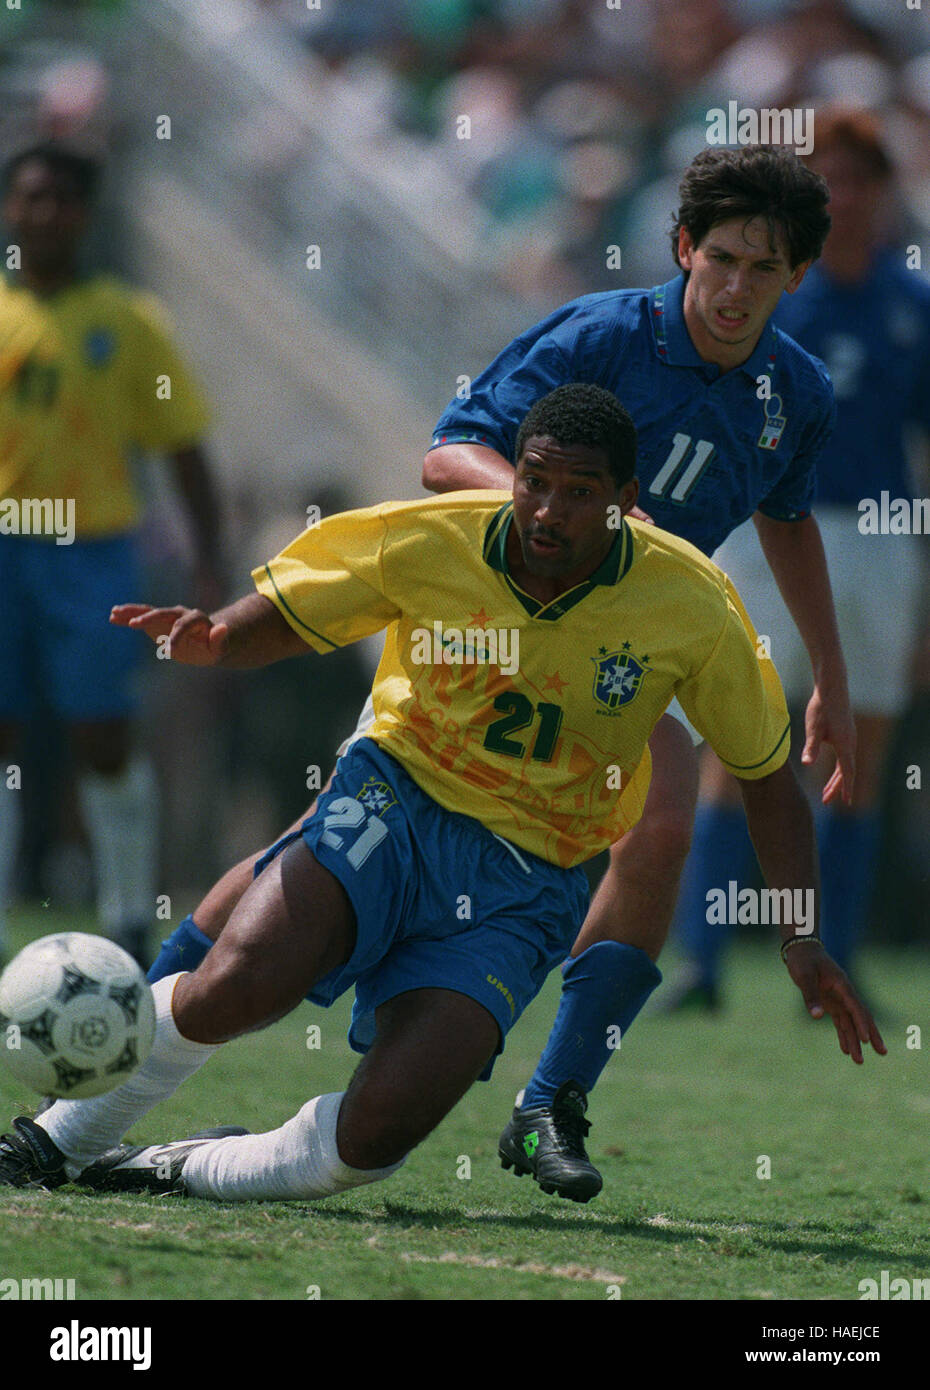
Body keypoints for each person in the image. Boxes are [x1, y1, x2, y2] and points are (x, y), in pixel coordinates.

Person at [0, 385, 885, 1201]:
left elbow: (767, 779)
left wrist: (802, 936)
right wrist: (219, 635)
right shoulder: (434, 537)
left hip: (531, 877)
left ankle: (181, 1168)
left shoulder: (691, 602)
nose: (547, 509)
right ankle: (49, 1144)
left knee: (375, 1139)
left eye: (579, 493)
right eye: (534, 482)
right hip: (396, 797)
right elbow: (304, 603)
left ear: (626, 499)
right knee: (239, 981)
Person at [672, 109, 930, 1008]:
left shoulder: (913, 303)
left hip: (884, 538)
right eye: (829, 181)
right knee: (737, 742)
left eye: (860, 179)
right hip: (764, 527)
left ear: (883, 192)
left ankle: (837, 965)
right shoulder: (778, 294)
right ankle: (701, 964)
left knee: (858, 750)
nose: (846, 197)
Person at [0, 143, 222, 966]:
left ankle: (129, 913)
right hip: (1, 548)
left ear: (85, 214)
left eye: (61, 198)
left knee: (102, 732)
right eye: (31, 196)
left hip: (88, 553)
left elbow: (184, 447)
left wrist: (208, 562)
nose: (44, 212)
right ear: (10, 207)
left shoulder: (127, 321)